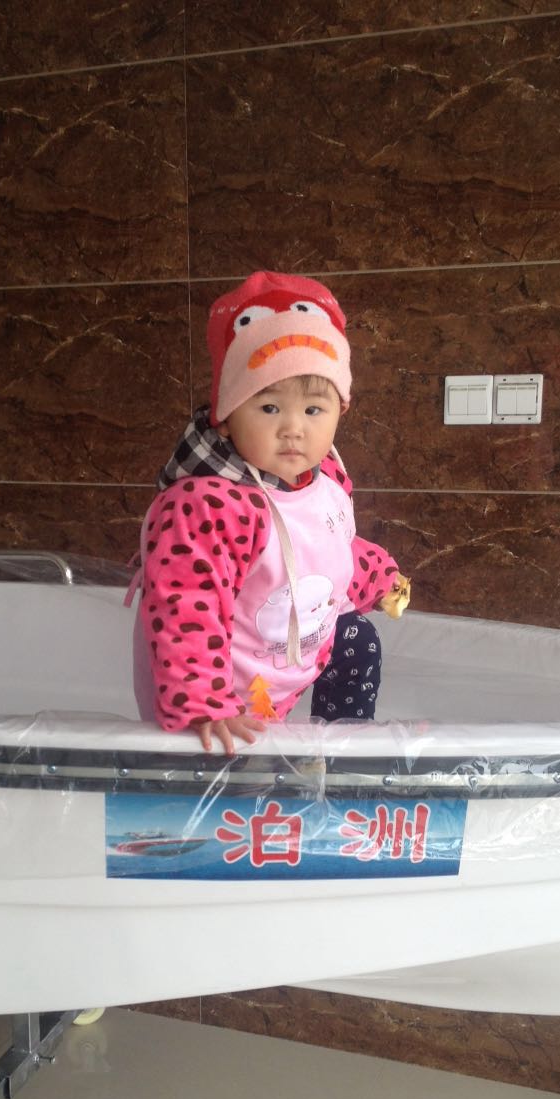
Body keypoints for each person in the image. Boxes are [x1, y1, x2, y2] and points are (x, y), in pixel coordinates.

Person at [132, 270, 410, 755]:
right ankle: (230, 762)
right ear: (225, 416)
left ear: (340, 411)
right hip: (223, 686)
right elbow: (185, 602)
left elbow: (326, 548)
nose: (293, 429)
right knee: (238, 759)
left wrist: (378, 576)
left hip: (290, 654)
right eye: (268, 408)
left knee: (356, 639)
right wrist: (203, 702)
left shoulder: (325, 476)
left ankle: (341, 754)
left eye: (313, 410)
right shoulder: (208, 506)